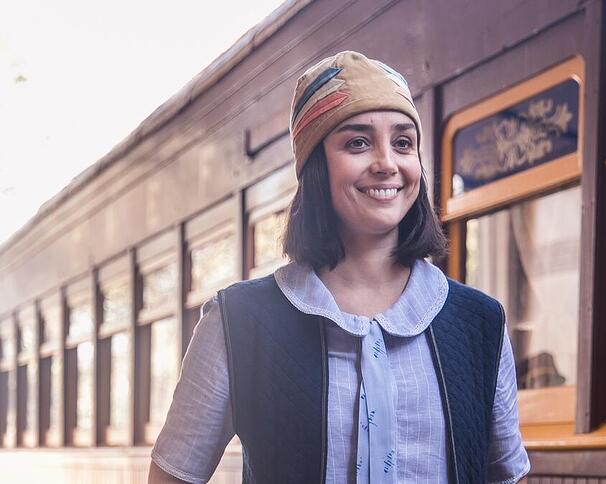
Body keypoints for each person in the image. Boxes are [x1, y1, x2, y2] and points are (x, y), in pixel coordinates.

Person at [148, 50, 530, 484]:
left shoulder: (479, 324)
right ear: (315, 166)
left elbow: (507, 477)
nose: (387, 163)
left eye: (403, 143)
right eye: (357, 142)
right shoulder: (238, 322)